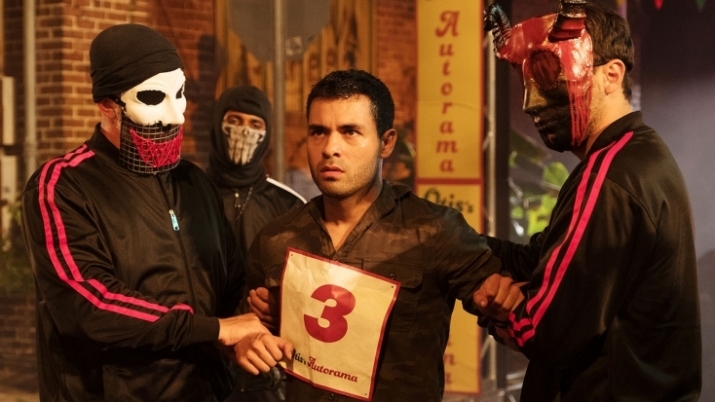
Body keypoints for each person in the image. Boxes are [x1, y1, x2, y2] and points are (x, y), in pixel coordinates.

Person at [235, 69, 522, 401]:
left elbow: (513, 317)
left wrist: (506, 309)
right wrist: (251, 339)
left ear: (386, 143)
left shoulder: (431, 231)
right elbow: (246, 331)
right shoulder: (276, 239)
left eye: (350, 132)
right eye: (318, 132)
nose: (330, 148)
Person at [21, 24, 268, 402]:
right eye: (152, 97)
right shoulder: (63, 185)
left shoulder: (194, 182)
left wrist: (246, 322)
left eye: (180, 94)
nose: (175, 117)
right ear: (107, 105)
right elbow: (90, 305)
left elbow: (230, 281)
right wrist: (215, 330)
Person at [480, 1, 701, 400]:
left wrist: (499, 310)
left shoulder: (611, 176)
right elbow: (538, 260)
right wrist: (452, 244)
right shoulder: (639, 156)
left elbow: (544, 332)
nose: (531, 102)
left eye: (548, 75)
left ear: (611, 75)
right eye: (526, 80)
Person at [207, 85, 306, 401]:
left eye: (255, 124)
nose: (244, 131)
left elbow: (307, 290)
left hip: (267, 369)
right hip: (200, 360)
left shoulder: (290, 206)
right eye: (234, 120)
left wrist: (280, 309)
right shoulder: (186, 194)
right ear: (217, 123)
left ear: (268, 134)